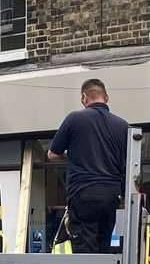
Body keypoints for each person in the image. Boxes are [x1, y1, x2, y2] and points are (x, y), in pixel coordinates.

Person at [48, 78, 128, 254]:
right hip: (111, 195)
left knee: (85, 247)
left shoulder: (75, 118)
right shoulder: (122, 126)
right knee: (104, 245)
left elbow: (52, 154)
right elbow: (126, 163)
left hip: (83, 193)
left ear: (84, 97)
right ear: (106, 98)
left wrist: (73, 155)